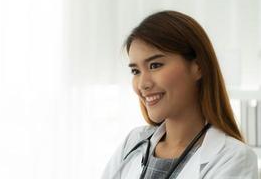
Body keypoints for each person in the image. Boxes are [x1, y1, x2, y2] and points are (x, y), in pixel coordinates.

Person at [101, 10, 258, 179]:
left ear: (198, 66)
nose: (142, 84)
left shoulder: (233, 159)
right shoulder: (133, 143)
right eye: (135, 71)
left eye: (155, 65)